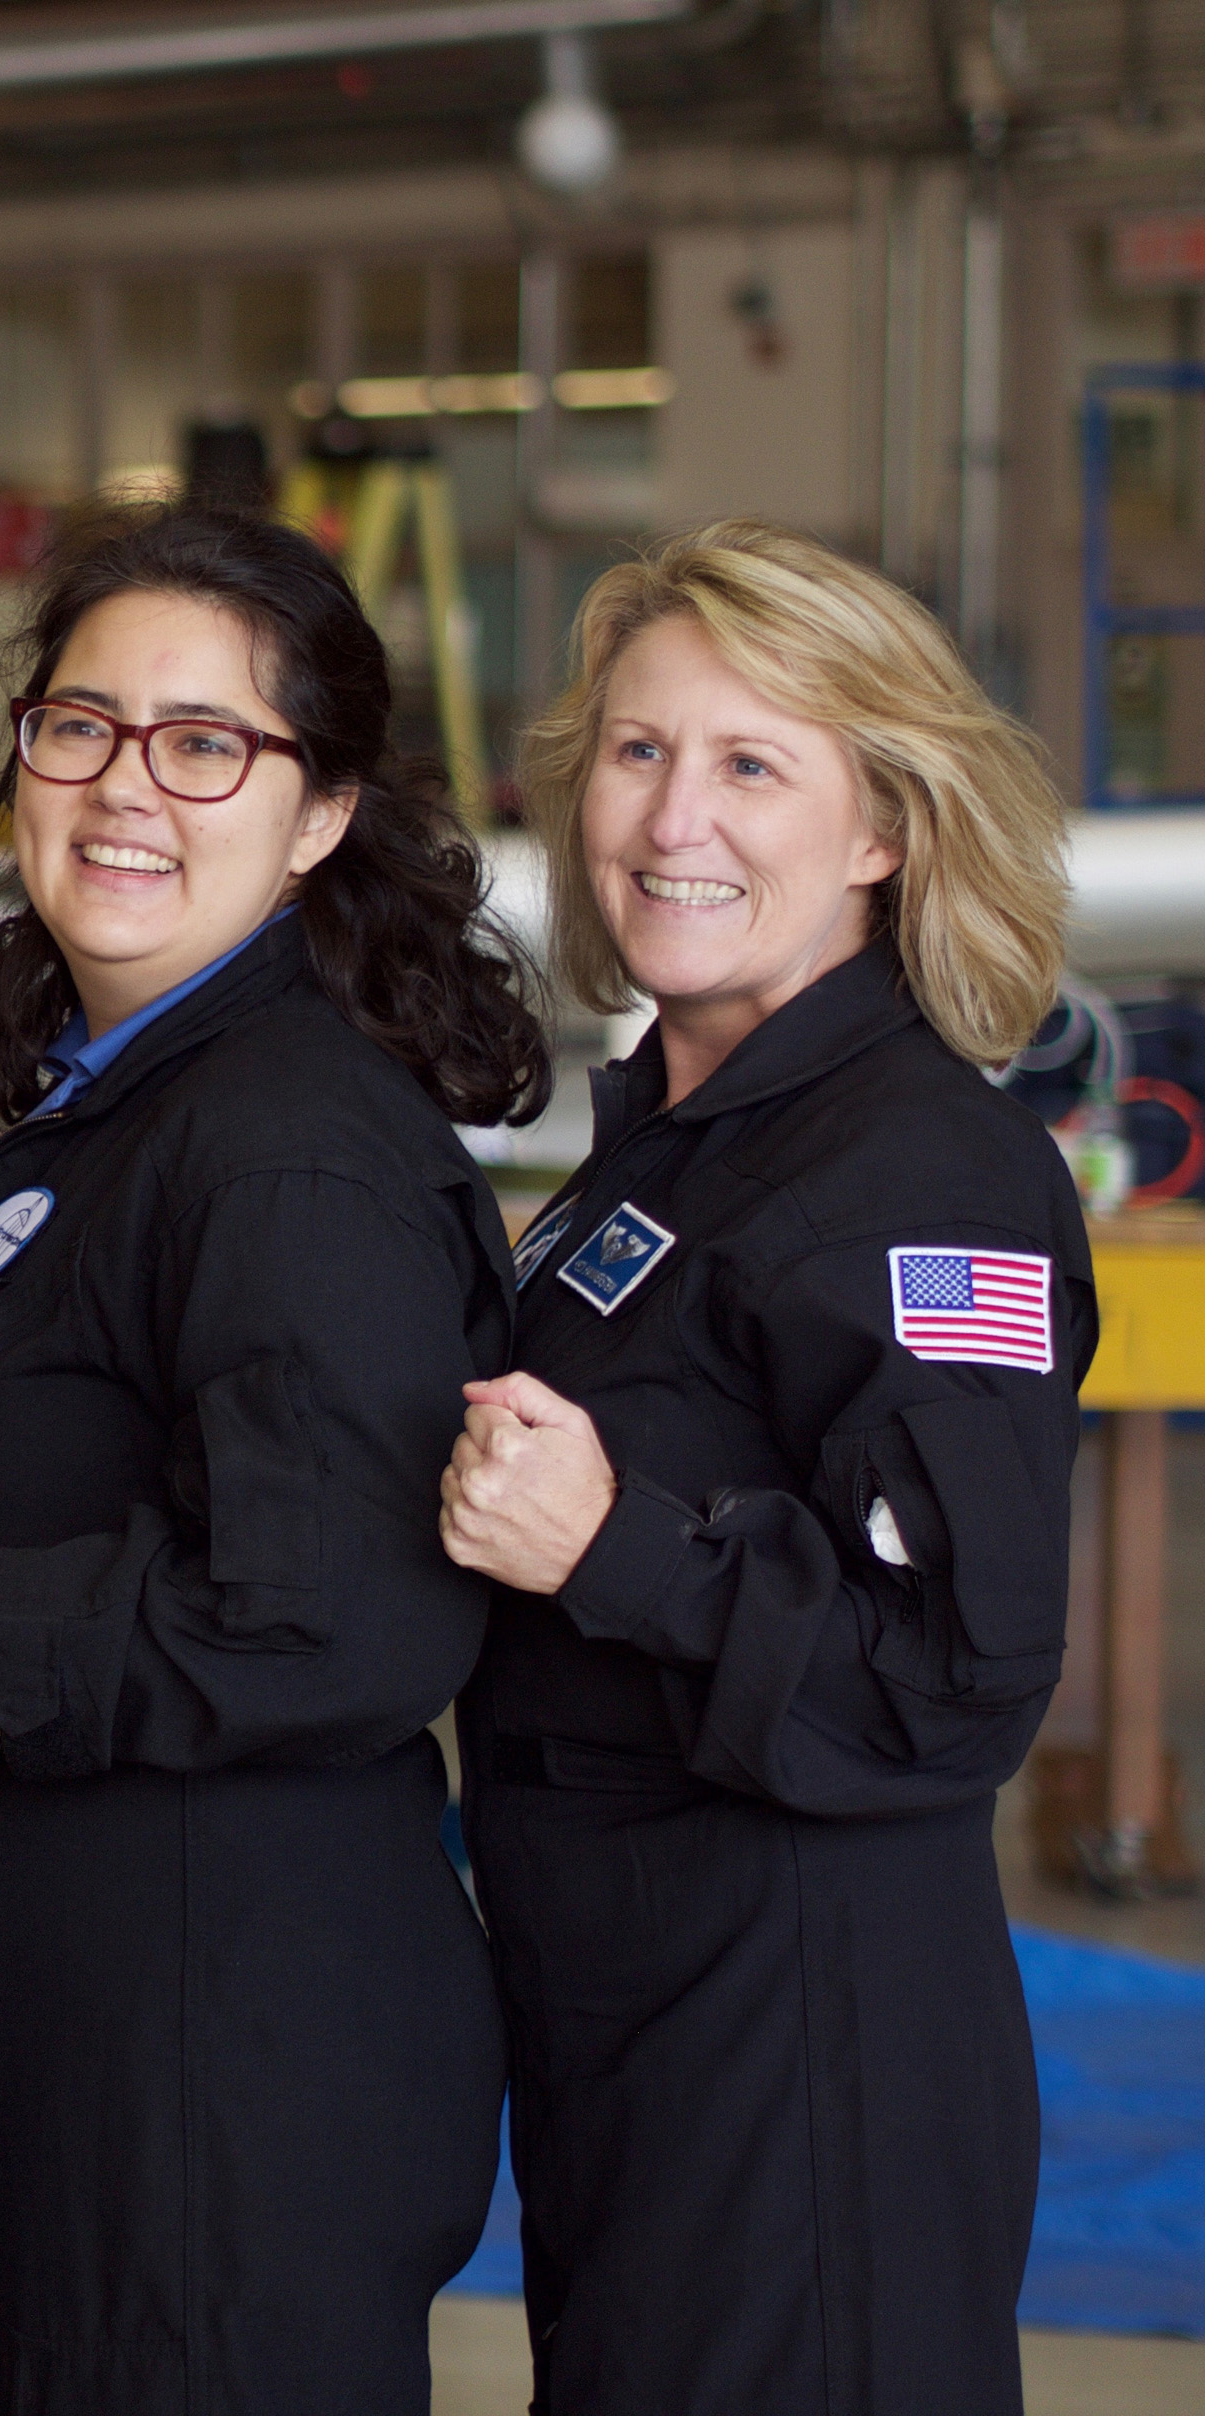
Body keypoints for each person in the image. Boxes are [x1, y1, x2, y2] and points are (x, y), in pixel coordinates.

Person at [0, 504, 545, 2414]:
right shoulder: (126, 1111)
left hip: (227, 2071)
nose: (127, 787)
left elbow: (334, 1626)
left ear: (318, 817)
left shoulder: (285, 1153)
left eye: (206, 743)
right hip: (104, 2032)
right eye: (82, 727)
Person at [438, 520, 1087, 2416]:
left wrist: (614, 1547)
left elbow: (952, 1680)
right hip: (630, 2010)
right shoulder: (673, 1140)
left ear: (881, 828)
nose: (670, 821)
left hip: (802, 2032)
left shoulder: (922, 1178)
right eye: (636, 754)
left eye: (749, 765)